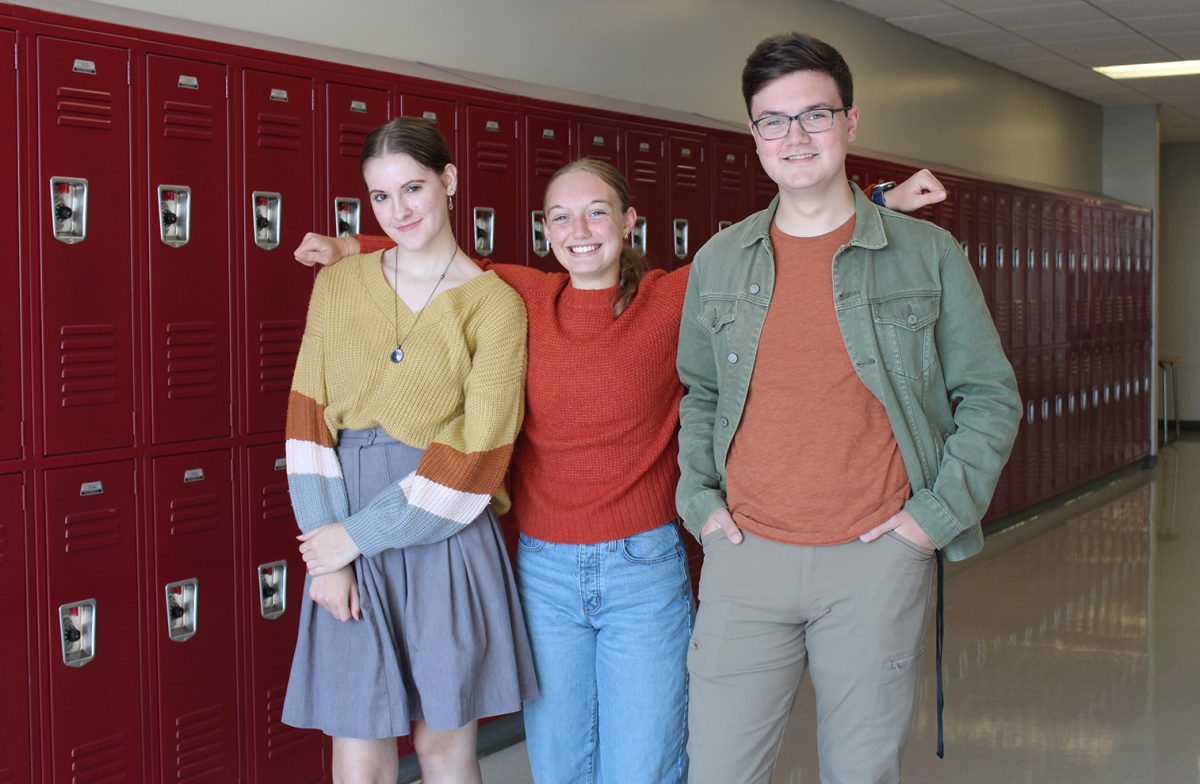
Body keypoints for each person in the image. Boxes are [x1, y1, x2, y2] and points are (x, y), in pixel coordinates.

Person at [295, 157, 943, 782]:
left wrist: (879, 201)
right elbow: (431, 248)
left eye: (597, 213)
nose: (579, 232)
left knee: (644, 766)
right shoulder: (522, 295)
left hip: (642, 573)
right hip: (544, 575)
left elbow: (770, 244)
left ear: (630, 220)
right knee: (560, 767)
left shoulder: (669, 300)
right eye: (561, 218)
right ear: (545, 230)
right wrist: (351, 247)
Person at [675, 33, 1022, 784]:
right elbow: (700, 392)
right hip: (743, 557)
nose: (795, 137)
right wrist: (699, 502)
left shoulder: (927, 254)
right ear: (754, 136)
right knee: (718, 771)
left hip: (875, 557)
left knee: (861, 773)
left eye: (815, 115)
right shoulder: (719, 260)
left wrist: (929, 522)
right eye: (774, 120)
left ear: (851, 122)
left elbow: (990, 396)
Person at [282, 116, 537, 784]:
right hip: (341, 524)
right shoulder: (338, 284)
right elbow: (307, 423)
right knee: (358, 747)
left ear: (450, 181)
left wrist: (354, 538)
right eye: (381, 197)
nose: (399, 211)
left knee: (442, 748)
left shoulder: (494, 307)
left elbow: (478, 456)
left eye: (414, 188)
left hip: (442, 534)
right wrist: (327, 553)